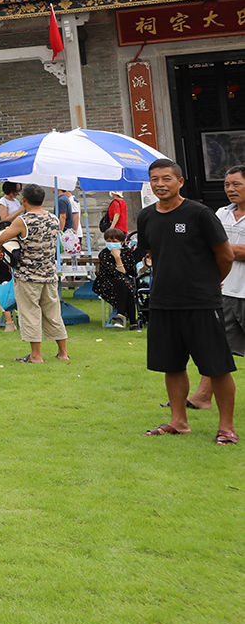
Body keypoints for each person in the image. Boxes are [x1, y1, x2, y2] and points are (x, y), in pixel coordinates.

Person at [136, 159, 236, 443]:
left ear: (180, 182)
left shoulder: (200, 214)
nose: (160, 184)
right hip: (163, 301)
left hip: (201, 302)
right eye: (154, 179)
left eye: (166, 178)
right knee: (172, 365)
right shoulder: (146, 217)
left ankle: (226, 427)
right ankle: (178, 421)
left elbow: (225, 256)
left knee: (216, 366)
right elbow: (152, 253)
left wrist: (209, 282)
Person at [0, 184, 67, 364]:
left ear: (23, 200)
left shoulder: (23, 221)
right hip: (49, 274)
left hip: (28, 276)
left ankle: (36, 355)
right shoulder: (53, 219)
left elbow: (1, 238)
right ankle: (63, 353)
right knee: (53, 313)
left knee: (30, 313)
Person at [189, 165, 245, 411]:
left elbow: (212, 247)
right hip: (224, 290)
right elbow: (203, 243)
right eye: (226, 185)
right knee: (217, 346)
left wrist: (220, 248)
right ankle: (202, 396)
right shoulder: (221, 213)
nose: (230, 189)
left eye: (236, 184)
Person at [92, 228, 139, 330]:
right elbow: (116, 272)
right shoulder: (104, 254)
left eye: (114, 241)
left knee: (124, 284)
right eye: (108, 241)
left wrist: (119, 258)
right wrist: (117, 258)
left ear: (122, 242)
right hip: (106, 282)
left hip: (123, 282)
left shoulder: (128, 252)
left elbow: (132, 271)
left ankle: (121, 317)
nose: (111, 244)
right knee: (125, 285)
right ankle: (132, 323)